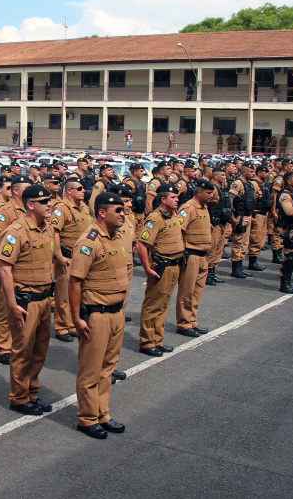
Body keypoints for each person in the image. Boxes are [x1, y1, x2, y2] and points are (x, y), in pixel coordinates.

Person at [69, 192, 129, 439]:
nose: (123, 213)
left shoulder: (117, 237)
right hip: (97, 315)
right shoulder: (89, 241)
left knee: (107, 369)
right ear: (102, 213)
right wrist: (76, 318)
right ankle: (87, 418)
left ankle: (102, 413)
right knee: (91, 370)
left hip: (116, 313)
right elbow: (75, 282)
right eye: (118, 210)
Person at [0, 185, 61, 416]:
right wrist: (12, 304)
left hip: (43, 298)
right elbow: (4, 269)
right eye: (44, 201)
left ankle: (32, 392)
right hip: (25, 301)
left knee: (40, 349)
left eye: (49, 200)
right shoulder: (16, 231)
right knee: (23, 351)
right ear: (30, 205)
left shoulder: (48, 228)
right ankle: (18, 397)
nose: (49, 204)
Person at [0, 176, 32, 363]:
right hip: (7, 266)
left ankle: (19, 342)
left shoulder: (29, 209)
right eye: (25, 188)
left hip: (24, 266)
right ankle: (3, 347)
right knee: (5, 307)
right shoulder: (5, 211)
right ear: (16, 191)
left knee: (21, 306)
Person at [137, 184, 184, 357]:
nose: (177, 199)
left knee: (164, 305)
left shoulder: (173, 215)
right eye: (173, 197)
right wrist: (147, 269)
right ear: (163, 199)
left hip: (174, 265)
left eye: (177, 197)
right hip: (161, 266)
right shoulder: (155, 218)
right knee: (153, 305)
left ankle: (157, 340)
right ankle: (147, 342)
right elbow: (141, 245)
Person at [50, 177, 90, 342]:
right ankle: (62, 327)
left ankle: (73, 323)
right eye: (79, 189)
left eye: (83, 188)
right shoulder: (61, 208)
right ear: (69, 191)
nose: (83, 191)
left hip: (83, 258)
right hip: (68, 256)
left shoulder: (84, 207)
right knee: (64, 294)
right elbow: (54, 232)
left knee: (77, 293)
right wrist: (59, 256)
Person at [175, 180, 214, 338]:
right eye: (208, 193)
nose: (211, 196)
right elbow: (179, 230)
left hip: (203, 255)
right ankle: (184, 323)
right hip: (191, 255)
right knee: (187, 291)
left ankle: (192, 320)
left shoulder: (203, 208)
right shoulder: (188, 208)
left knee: (197, 292)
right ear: (199, 192)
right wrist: (181, 252)